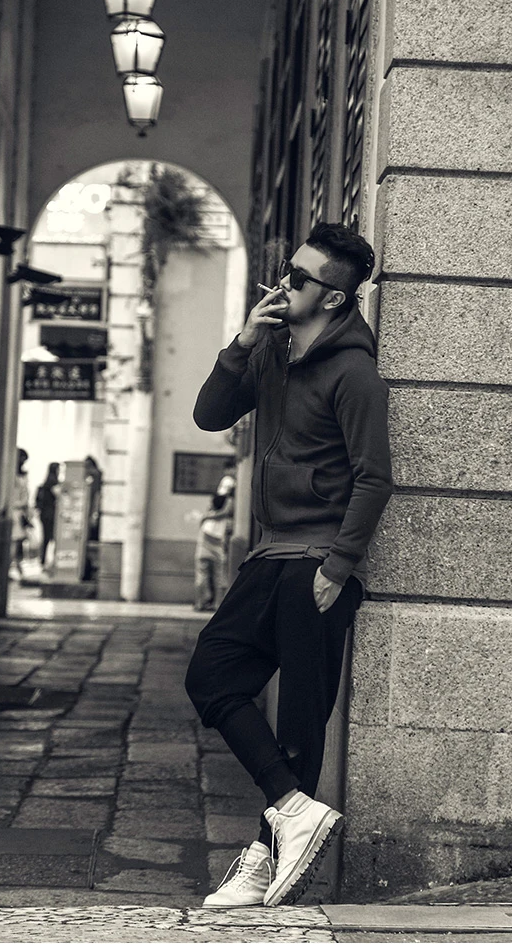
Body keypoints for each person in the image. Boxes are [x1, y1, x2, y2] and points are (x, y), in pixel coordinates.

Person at [185, 223, 393, 908]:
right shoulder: (272, 352)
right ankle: (291, 809)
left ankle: (263, 859)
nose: (284, 282)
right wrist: (243, 343)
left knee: (301, 724)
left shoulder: (354, 373)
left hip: (316, 564)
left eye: (300, 278)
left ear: (333, 298)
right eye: (286, 268)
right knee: (211, 674)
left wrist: (339, 566)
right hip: (268, 554)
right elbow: (210, 415)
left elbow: (374, 477)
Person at [193, 475, 235, 612]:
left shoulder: (214, 499)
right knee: (219, 574)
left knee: (201, 573)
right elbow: (225, 513)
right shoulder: (230, 501)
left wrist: (205, 517)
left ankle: (200, 603)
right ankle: (217, 604)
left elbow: (209, 513)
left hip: (205, 534)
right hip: (218, 538)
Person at [10, 448, 32, 579]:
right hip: (16, 511)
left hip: (19, 512)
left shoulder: (20, 475)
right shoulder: (12, 476)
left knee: (17, 542)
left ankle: (17, 567)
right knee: (15, 542)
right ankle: (14, 567)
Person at [35, 462, 59, 570]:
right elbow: (59, 495)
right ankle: (50, 560)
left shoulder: (45, 483)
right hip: (51, 514)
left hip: (44, 514)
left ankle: (43, 559)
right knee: (53, 538)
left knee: (45, 537)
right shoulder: (53, 483)